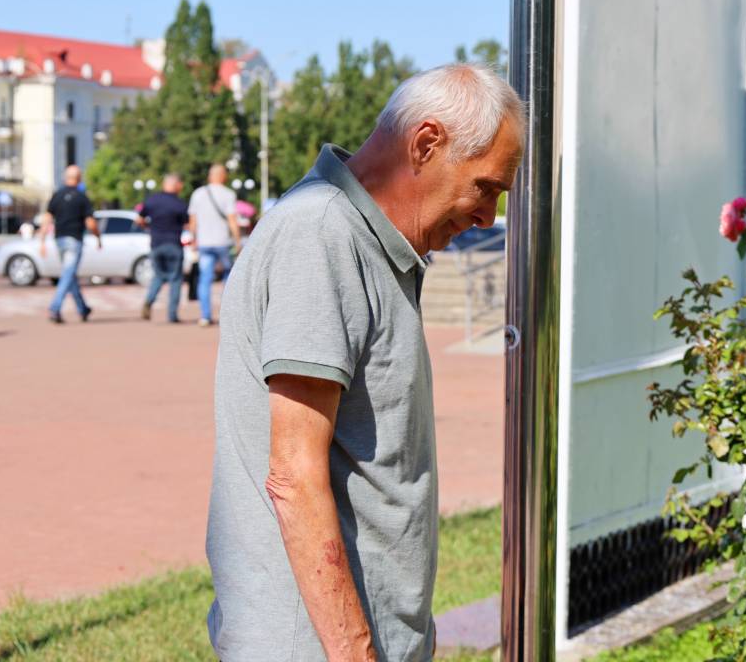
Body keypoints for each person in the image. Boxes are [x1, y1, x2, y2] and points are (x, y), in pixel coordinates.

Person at [205, 64, 525, 661]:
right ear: (426, 144)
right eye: (486, 187)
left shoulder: (368, 241)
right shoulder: (322, 234)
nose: (487, 217)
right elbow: (293, 478)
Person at [39, 165, 101, 324]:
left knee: (70, 274)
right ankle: (55, 307)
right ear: (79, 178)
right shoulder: (82, 197)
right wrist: (98, 237)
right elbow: (91, 223)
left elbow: (46, 219)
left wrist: (42, 241)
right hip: (74, 240)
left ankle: (82, 308)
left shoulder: (57, 196)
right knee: (68, 274)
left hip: (59, 240)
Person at [187, 164, 240, 327]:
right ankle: (228, 315)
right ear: (224, 176)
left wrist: (193, 238)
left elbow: (193, 220)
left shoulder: (198, 194)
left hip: (204, 242)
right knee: (228, 279)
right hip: (223, 242)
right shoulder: (228, 194)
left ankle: (205, 315)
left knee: (205, 279)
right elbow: (232, 220)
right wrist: (237, 240)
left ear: (210, 176)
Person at [138, 174, 189, 323]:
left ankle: (149, 300)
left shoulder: (152, 200)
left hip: (156, 244)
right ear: (176, 185)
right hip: (173, 244)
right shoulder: (179, 204)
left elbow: (139, 219)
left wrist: (148, 227)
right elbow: (187, 223)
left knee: (159, 276)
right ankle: (172, 314)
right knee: (175, 279)